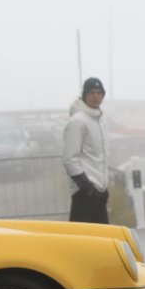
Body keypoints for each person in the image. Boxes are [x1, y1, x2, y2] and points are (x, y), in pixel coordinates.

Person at [63, 77, 110, 224]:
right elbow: (69, 159)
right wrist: (87, 187)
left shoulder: (101, 119)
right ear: (84, 95)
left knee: (103, 236)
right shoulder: (78, 121)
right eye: (92, 93)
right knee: (80, 236)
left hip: (100, 191)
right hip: (84, 192)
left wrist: (103, 187)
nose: (96, 96)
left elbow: (100, 156)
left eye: (99, 93)